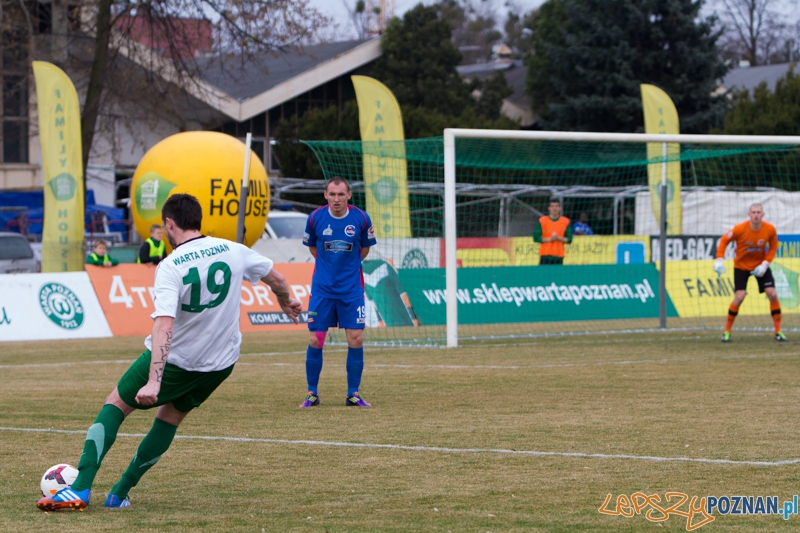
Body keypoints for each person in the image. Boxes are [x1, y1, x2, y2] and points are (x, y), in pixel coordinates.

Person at [37, 193, 302, 512]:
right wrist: (285, 300)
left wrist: (154, 380)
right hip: (220, 364)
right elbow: (278, 279)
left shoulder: (171, 266)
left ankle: (79, 489)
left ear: (169, 224)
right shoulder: (235, 251)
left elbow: (164, 325)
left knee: (115, 405)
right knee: (169, 420)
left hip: (177, 360)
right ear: (198, 220)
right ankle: (118, 494)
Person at [300, 176, 377, 408]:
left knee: (356, 338)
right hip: (322, 290)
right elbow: (314, 248)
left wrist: (346, 268)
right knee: (316, 339)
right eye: (332, 194)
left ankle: (353, 393)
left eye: (341, 194)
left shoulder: (361, 218)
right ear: (325, 195)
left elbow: (364, 250)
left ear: (349, 195)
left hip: (351, 291)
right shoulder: (315, 218)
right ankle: (312, 393)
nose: (336, 199)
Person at [713, 203, 786, 342]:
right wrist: (719, 260)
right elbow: (724, 240)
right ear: (749, 214)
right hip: (741, 266)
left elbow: (773, 247)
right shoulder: (740, 228)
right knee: (740, 297)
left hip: (760, 266)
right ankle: (727, 331)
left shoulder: (770, 229)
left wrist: (765, 264)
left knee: (772, 293)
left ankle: (778, 331)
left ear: (763, 214)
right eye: (753, 212)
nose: (756, 215)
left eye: (759, 212)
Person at [533, 199, 573, 265]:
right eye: (552, 206)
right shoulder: (542, 221)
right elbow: (536, 238)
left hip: (559, 256)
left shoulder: (565, 221)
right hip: (545, 255)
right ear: (548, 208)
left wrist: (558, 238)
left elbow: (569, 239)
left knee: (557, 275)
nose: (554, 208)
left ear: (560, 208)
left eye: (557, 206)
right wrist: (550, 239)